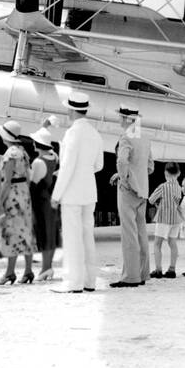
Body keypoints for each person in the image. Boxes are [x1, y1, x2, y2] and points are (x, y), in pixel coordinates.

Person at [49, 93, 103, 294]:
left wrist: (56, 195)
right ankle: (90, 281)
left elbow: (67, 166)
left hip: (72, 192)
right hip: (89, 191)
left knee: (72, 238)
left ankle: (73, 282)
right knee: (87, 236)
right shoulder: (95, 133)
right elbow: (99, 165)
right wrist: (83, 170)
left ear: (71, 110)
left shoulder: (72, 133)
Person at [110, 104, 153, 288]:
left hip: (128, 190)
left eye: (120, 117)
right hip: (143, 188)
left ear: (127, 119)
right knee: (141, 231)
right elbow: (150, 166)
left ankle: (130, 277)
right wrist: (137, 177)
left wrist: (124, 178)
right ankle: (143, 273)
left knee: (129, 234)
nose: (119, 119)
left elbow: (121, 160)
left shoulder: (126, 137)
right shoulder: (145, 137)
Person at [0, 120, 36, 285]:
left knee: (10, 232)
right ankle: (28, 270)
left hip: (13, 194)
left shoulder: (10, 153)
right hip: (24, 193)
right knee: (25, 231)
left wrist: (0, 201)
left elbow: (7, 180)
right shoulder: (22, 151)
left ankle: (10, 272)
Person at [28, 125, 61, 281]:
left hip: (41, 199)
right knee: (51, 233)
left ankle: (45, 268)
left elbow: (33, 183)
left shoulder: (38, 162)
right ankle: (48, 267)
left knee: (43, 233)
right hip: (52, 197)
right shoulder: (54, 156)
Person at [148, 162, 183, 279]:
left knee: (157, 244)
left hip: (164, 217)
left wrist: (159, 203)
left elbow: (151, 200)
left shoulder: (163, 186)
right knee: (172, 243)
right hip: (176, 218)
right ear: (178, 173)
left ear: (165, 173)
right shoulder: (179, 188)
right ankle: (172, 269)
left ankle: (158, 270)